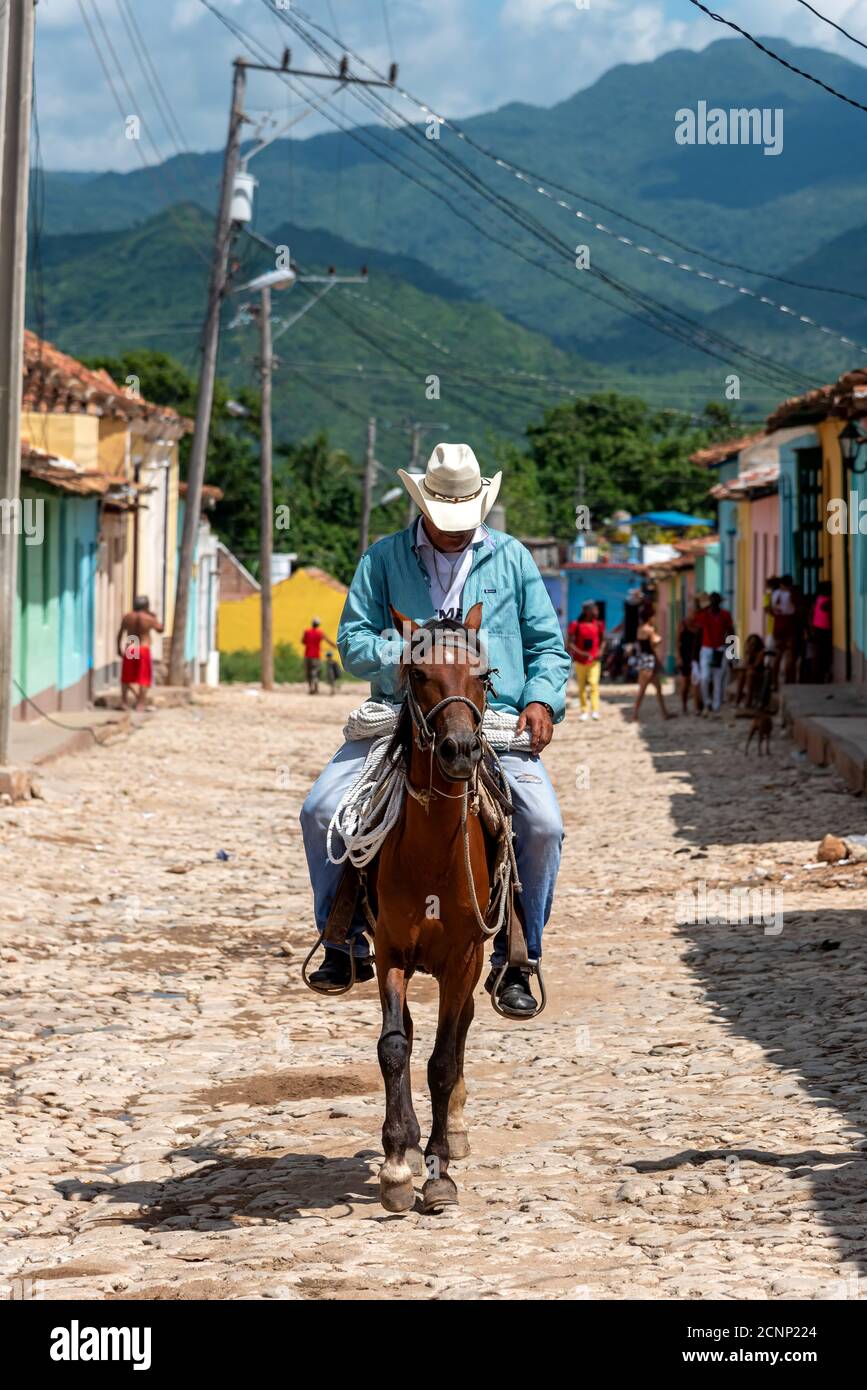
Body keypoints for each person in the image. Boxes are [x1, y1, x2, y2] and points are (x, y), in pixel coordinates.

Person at [299, 442, 570, 1015]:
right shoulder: (382, 559)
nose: (454, 531)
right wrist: (406, 654)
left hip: (490, 720)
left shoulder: (514, 559)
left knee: (542, 824)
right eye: (443, 520)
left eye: (464, 520)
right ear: (423, 506)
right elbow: (352, 642)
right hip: (401, 714)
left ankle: (518, 957)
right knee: (321, 810)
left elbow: (548, 645)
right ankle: (342, 939)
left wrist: (543, 699)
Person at [690, 591, 735, 714]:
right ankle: (707, 702)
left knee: (718, 679)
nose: (714, 604)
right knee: (704, 677)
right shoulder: (703, 615)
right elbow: (697, 634)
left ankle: (716, 706)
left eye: (716, 601)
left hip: (720, 649)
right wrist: (694, 657)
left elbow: (731, 633)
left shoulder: (726, 615)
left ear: (719, 602)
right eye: (712, 601)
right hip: (706, 649)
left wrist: (732, 654)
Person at [117, 596, 163, 711]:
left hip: (132, 645)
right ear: (146, 606)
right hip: (143, 647)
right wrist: (154, 617)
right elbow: (160, 629)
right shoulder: (148, 619)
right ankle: (140, 703)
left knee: (127, 677)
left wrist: (118, 648)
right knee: (143, 678)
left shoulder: (128, 617)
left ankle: (124, 702)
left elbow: (120, 634)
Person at [629, 602, 673, 723]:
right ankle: (635, 715)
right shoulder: (649, 630)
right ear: (649, 617)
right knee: (644, 690)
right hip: (649, 661)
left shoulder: (639, 629)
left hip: (643, 660)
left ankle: (664, 713)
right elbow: (655, 642)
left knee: (655, 689)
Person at [567, 600, 604, 721]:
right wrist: (582, 653)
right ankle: (584, 711)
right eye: (595, 609)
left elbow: (603, 640)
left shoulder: (599, 624)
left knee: (594, 684)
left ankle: (595, 710)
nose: (597, 612)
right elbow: (570, 644)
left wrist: (600, 651)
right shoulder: (575, 625)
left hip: (594, 661)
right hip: (580, 661)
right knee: (582, 686)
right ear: (587, 611)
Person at [677, 600, 704, 715]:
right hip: (685, 655)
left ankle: (696, 707)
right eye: (693, 612)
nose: (695, 614)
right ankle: (684, 706)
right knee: (685, 684)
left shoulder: (700, 625)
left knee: (696, 683)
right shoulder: (682, 624)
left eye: (697, 612)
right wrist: (678, 657)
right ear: (689, 611)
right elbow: (677, 641)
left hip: (696, 656)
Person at [771, 575, 797, 688]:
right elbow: (796, 608)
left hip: (777, 623)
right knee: (790, 653)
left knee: (778, 654)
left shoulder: (775, 594)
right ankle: (789, 680)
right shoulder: (791, 594)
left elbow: (772, 609)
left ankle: (774, 681)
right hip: (789, 623)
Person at [301, 618, 337, 695]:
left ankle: (311, 689)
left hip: (307, 655)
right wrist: (334, 646)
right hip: (316, 656)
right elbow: (327, 640)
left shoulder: (307, 632)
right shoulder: (320, 633)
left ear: (312, 624)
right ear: (318, 624)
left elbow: (303, 642)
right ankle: (316, 688)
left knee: (308, 673)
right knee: (316, 672)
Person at [810, 581, 833, 683]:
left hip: (817, 628)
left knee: (818, 653)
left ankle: (817, 677)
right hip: (824, 630)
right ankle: (819, 676)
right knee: (823, 654)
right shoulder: (827, 600)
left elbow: (812, 612)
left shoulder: (818, 599)